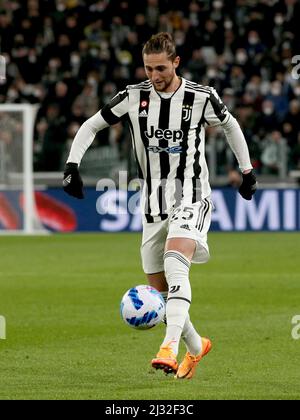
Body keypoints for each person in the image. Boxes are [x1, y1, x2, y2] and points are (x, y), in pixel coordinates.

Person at [63, 33, 257, 379]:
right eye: (149, 68)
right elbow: (92, 124)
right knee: (159, 289)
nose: (155, 75)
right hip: (152, 201)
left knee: (175, 264)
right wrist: (72, 165)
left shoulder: (201, 96)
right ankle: (197, 347)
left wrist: (247, 170)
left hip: (192, 193)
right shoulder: (133, 96)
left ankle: (168, 348)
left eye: (162, 68)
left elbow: (231, 126)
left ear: (176, 62)